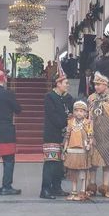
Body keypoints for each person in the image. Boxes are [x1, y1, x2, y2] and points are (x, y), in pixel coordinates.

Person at [86, 71, 109, 198]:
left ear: (105, 85)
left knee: (107, 161)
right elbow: (88, 116)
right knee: (93, 162)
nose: (96, 87)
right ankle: (91, 186)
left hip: (108, 134)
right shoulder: (91, 98)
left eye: (98, 84)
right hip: (94, 133)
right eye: (95, 84)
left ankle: (105, 187)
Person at [39, 68, 74, 199]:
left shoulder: (69, 98)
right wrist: (66, 122)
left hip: (65, 136)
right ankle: (45, 189)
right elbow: (52, 115)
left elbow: (72, 112)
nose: (68, 85)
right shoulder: (49, 97)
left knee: (60, 164)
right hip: (52, 134)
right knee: (50, 162)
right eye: (66, 83)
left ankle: (57, 187)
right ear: (58, 84)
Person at [63, 101, 93, 201]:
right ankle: (74, 191)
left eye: (81, 111)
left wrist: (89, 144)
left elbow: (90, 136)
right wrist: (65, 148)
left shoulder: (87, 123)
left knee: (83, 171)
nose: (78, 113)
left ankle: (83, 190)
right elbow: (67, 136)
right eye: (76, 111)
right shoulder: (70, 122)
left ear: (85, 113)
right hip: (72, 149)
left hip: (83, 150)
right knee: (72, 172)